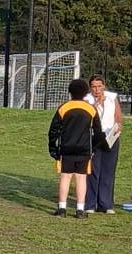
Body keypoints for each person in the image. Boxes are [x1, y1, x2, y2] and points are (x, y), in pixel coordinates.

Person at [48, 79, 104, 218]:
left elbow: (53, 130)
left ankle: (62, 209)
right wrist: (93, 148)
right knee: (81, 178)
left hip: (66, 148)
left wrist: (53, 147)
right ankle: (80, 210)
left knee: (65, 177)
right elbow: (98, 132)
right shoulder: (91, 108)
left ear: (70, 91)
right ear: (86, 92)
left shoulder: (64, 107)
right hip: (84, 149)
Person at [83, 73, 122, 213]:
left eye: (99, 86)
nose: (97, 90)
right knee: (93, 170)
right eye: (94, 87)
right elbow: (87, 116)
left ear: (104, 86)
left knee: (108, 170)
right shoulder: (87, 99)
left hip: (111, 136)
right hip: (94, 137)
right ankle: (90, 204)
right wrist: (96, 104)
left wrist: (118, 127)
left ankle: (106, 204)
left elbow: (118, 116)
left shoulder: (112, 97)